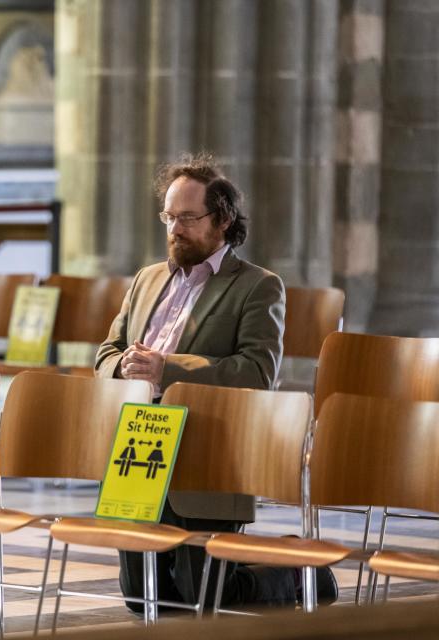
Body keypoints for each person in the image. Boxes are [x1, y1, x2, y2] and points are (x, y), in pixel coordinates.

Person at [95, 153, 336, 611]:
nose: (174, 228)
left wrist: (166, 368)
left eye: (187, 217)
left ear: (222, 220)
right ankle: (266, 562)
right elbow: (105, 352)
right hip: (139, 447)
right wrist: (122, 368)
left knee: (205, 596)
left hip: (208, 448)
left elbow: (257, 373)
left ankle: (305, 573)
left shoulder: (257, 286)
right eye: (168, 216)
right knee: (142, 598)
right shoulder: (147, 279)